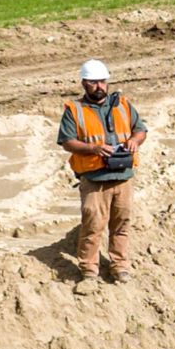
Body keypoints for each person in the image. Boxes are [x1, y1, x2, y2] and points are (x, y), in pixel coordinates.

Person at [57, 59, 146, 289]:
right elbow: (67, 142)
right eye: (94, 82)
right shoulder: (74, 110)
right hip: (94, 179)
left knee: (121, 224)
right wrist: (94, 149)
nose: (99, 86)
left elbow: (140, 130)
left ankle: (120, 266)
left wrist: (135, 141)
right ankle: (89, 269)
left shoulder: (123, 105)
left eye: (102, 82)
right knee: (93, 225)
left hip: (123, 176)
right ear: (84, 84)